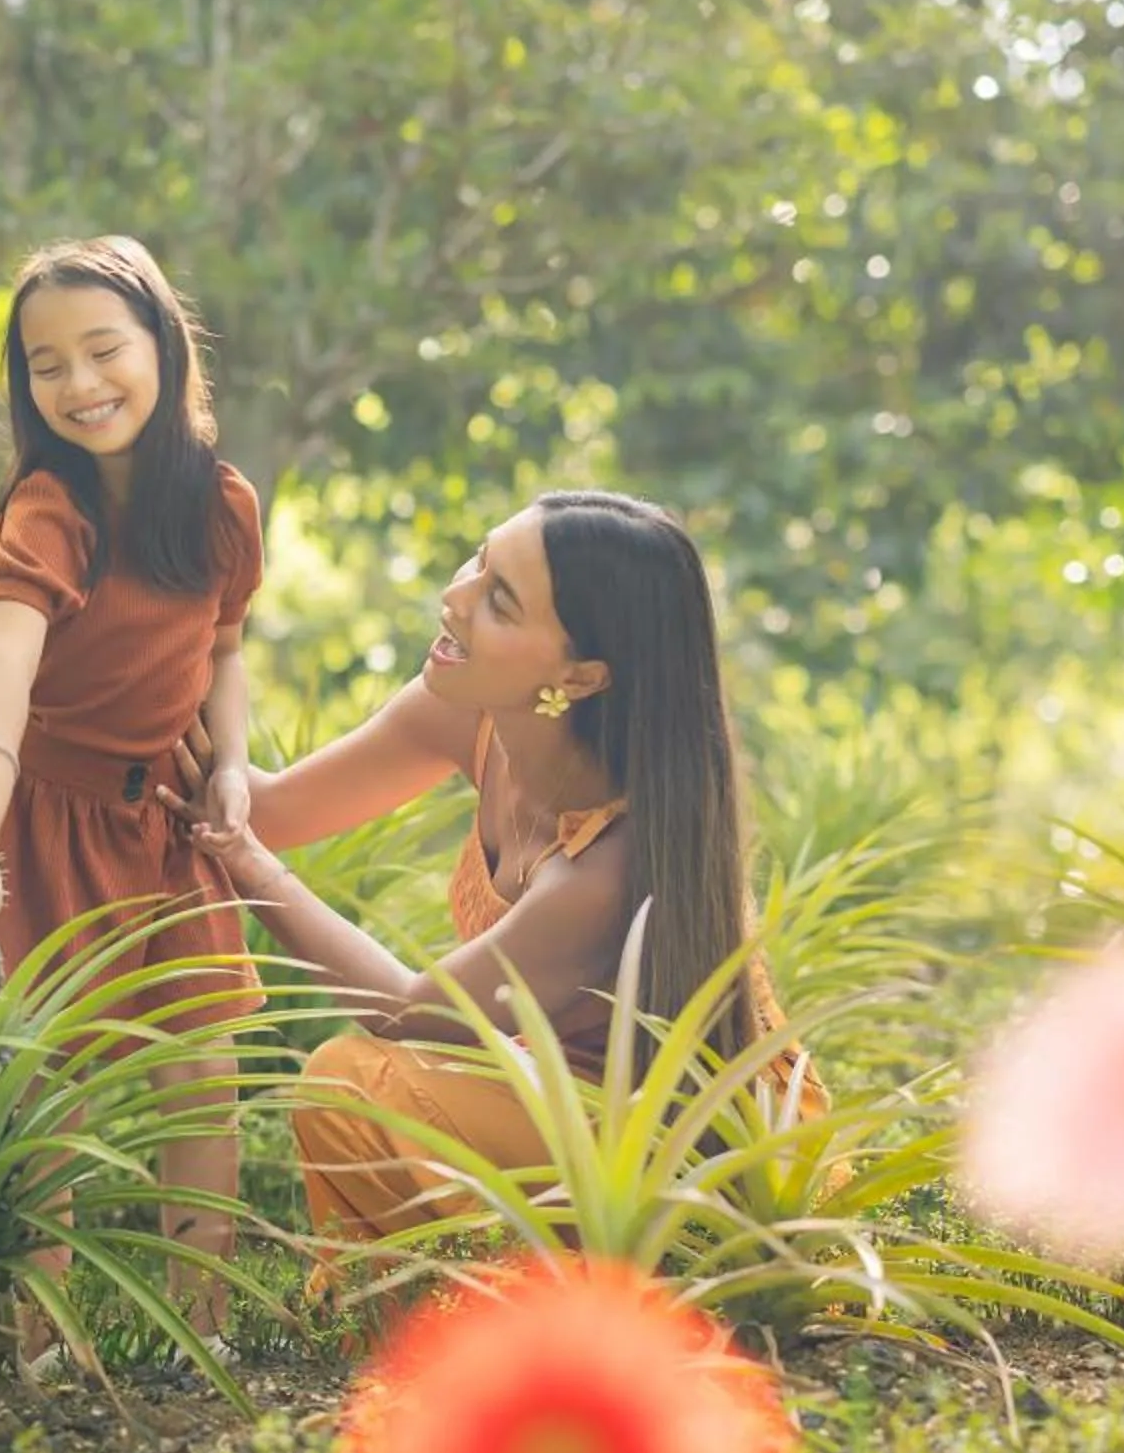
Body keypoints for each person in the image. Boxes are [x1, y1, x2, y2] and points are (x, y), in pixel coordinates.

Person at [171, 489, 819, 1253]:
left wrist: (242, 860)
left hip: (689, 1160)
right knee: (368, 1083)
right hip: (548, 1099)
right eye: (479, 561)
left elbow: (409, 1012)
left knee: (351, 1084)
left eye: (500, 601)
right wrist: (170, 659)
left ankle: (471, 1334)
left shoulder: (613, 862)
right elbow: (270, 810)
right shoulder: (464, 710)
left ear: (581, 677)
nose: (455, 597)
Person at [0, 235, 264, 1343]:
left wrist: (234, 762)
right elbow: (4, 658)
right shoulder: (45, 509)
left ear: (162, 345)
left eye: (104, 349)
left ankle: (200, 1324)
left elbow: (225, 649)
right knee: (43, 1091)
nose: (79, 383)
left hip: (163, 818)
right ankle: (41, 1341)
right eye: (45, 363)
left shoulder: (219, 503)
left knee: (202, 1068)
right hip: (47, 815)